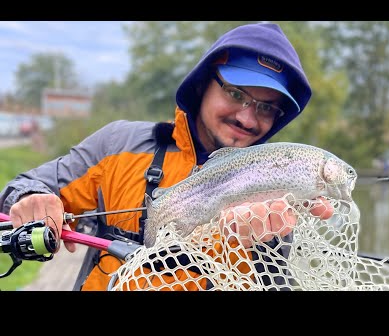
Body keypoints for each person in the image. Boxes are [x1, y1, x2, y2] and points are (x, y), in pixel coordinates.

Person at [0, 22, 333, 291]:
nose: (247, 118)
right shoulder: (118, 143)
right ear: (203, 84)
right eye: (236, 94)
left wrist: (262, 244)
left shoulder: (277, 193)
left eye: (267, 107)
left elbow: (273, 282)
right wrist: (33, 198)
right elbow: (24, 187)